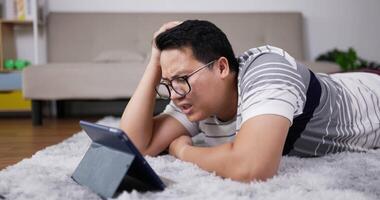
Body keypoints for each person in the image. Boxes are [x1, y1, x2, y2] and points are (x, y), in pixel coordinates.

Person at [120, 20, 380, 182]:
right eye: (168, 83)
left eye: (182, 78)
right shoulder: (196, 94)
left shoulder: (268, 71)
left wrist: (182, 151)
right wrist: (155, 61)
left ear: (221, 68)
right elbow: (132, 145)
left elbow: (252, 167)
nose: (175, 93)